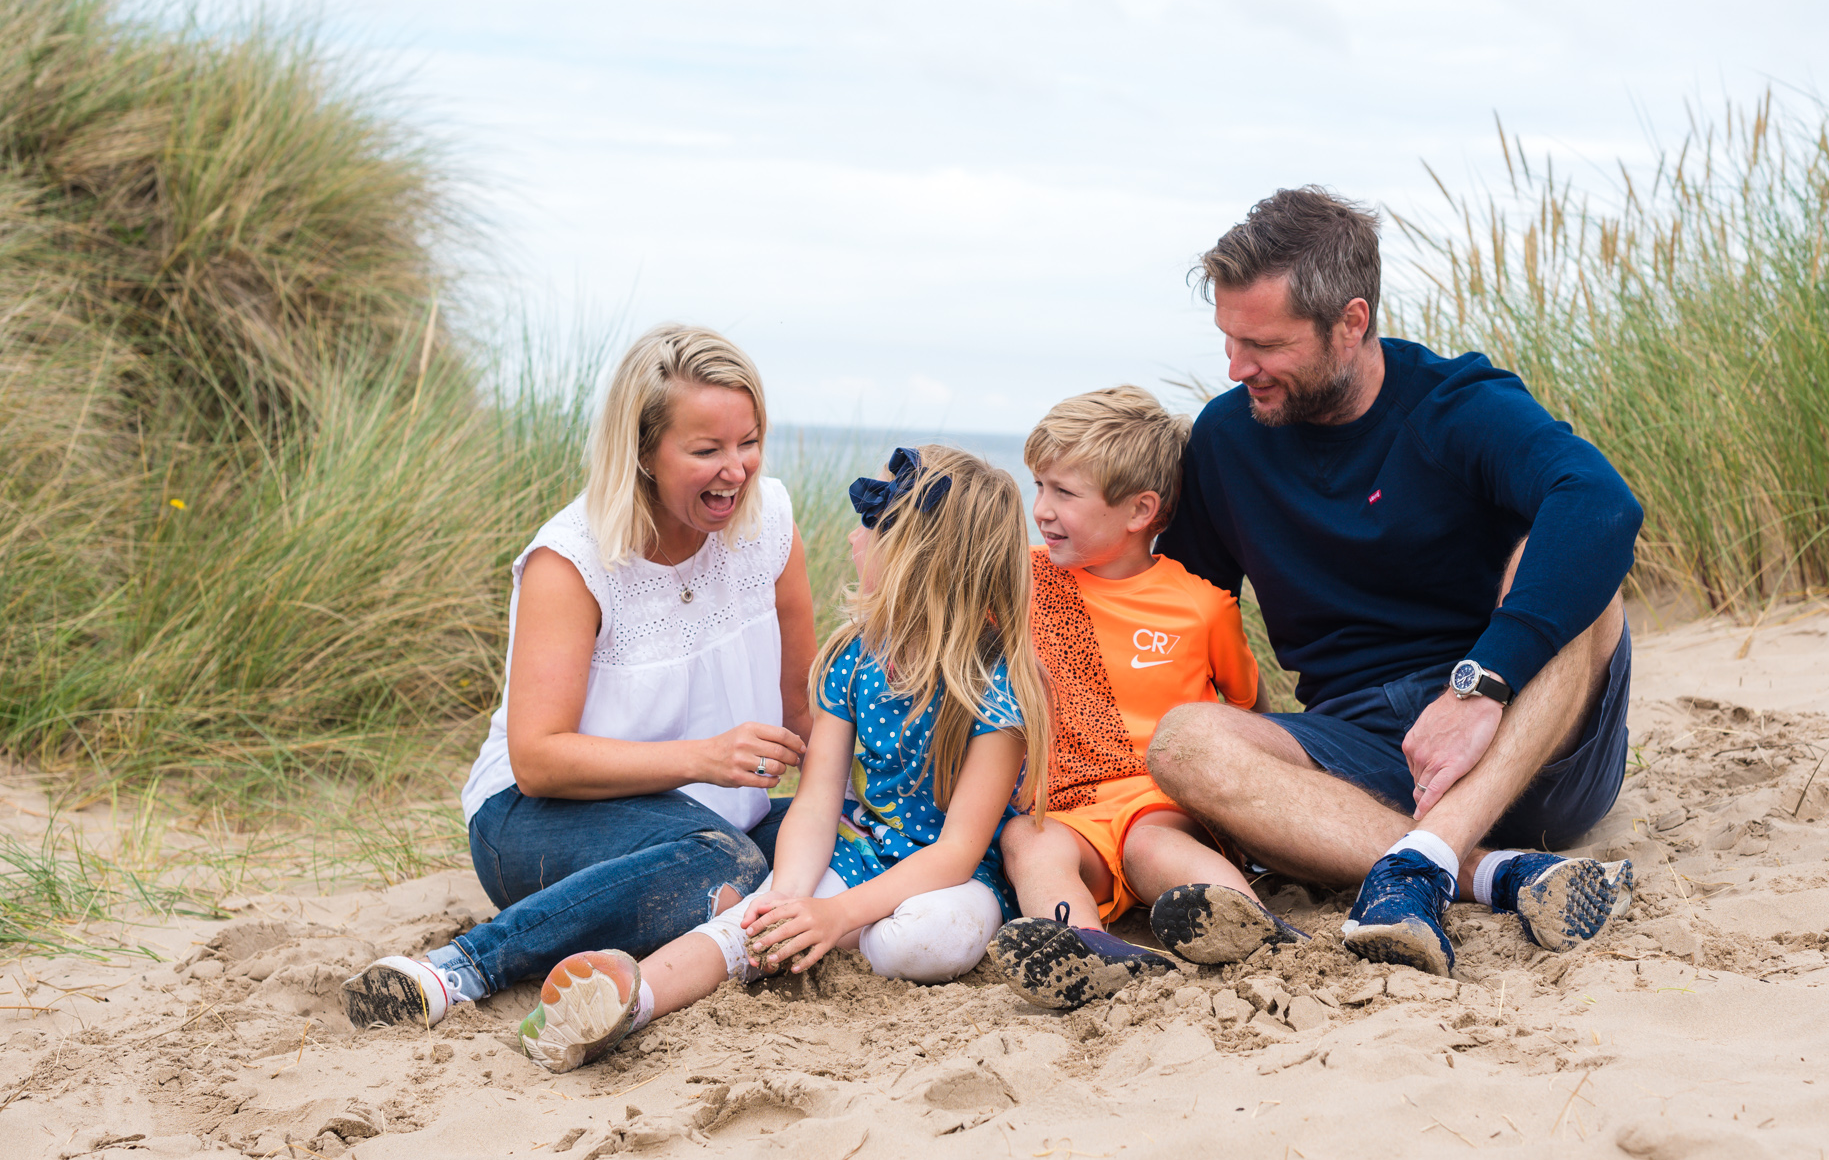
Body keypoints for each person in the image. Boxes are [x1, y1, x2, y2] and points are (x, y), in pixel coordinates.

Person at [1148, 186, 1644, 978]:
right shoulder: (1227, 439)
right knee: (1181, 741)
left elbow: (1603, 503)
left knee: (1571, 560)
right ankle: (1474, 867)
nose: (1239, 369)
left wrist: (1480, 688)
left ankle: (1432, 855)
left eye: (1265, 344)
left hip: (1525, 736)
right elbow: (1171, 609)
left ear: (1351, 323)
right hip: (1368, 761)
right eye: (1230, 340)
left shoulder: (1457, 405)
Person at [515, 445, 1053, 1073]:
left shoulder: (996, 688)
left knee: (928, 938)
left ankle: (832, 939)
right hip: (862, 851)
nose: (853, 534)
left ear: (916, 558)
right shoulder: (855, 658)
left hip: (951, 879)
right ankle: (629, 994)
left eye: (869, 523)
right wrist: (793, 894)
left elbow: (959, 849)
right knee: (756, 917)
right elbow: (819, 799)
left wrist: (836, 914)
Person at [341, 325, 816, 1029]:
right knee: (720, 863)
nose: (737, 469)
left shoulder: (769, 522)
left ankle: (667, 941)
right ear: (644, 452)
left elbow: (804, 709)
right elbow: (538, 760)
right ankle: (460, 969)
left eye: (748, 442)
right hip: (534, 818)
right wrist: (705, 758)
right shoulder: (572, 562)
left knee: (833, 839)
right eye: (707, 450)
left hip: (709, 823)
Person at [987, 386, 1303, 1010]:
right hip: (1068, 808)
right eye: (1039, 486)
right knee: (1028, 840)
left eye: (1064, 492)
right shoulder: (1020, 582)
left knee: (1148, 844)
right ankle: (1085, 950)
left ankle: (1256, 928)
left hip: (1163, 800)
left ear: (1139, 511)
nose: (1041, 509)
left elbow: (1246, 715)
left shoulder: (1202, 605)